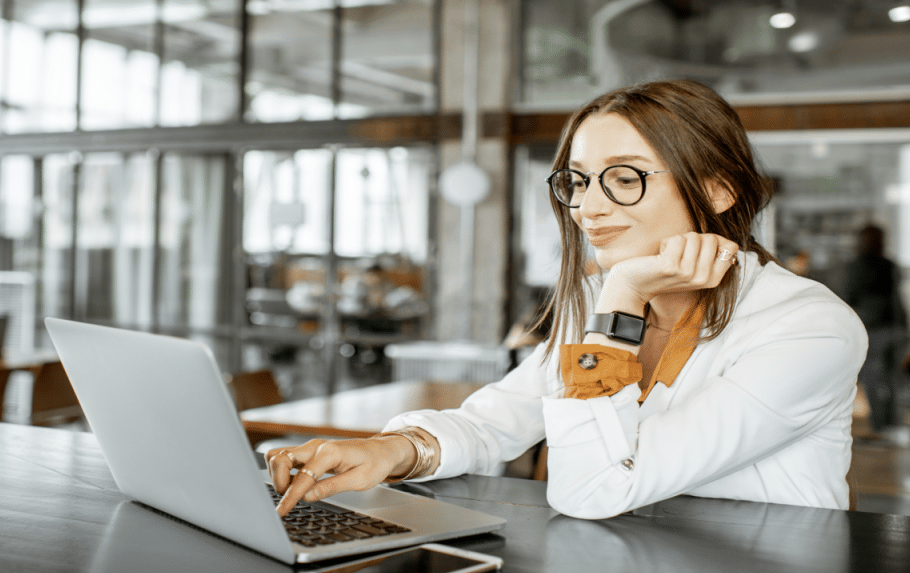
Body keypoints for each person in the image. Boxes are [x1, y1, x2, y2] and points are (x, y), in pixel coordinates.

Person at [266, 79, 868, 519]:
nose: (588, 207)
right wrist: (394, 450)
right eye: (578, 181)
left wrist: (623, 298)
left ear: (716, 191)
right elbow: (494, 421)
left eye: (625, 178)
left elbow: (595, 488)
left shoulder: (809, 328)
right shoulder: (596, 299)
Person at [843, 225, 908, 433]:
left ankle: (881, 428)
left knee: (875, 380)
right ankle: (893, 425)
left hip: (875, 330)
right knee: (892, 380)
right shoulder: (889, 265)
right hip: (895, 328)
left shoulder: (857, 267)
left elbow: (851, 299)